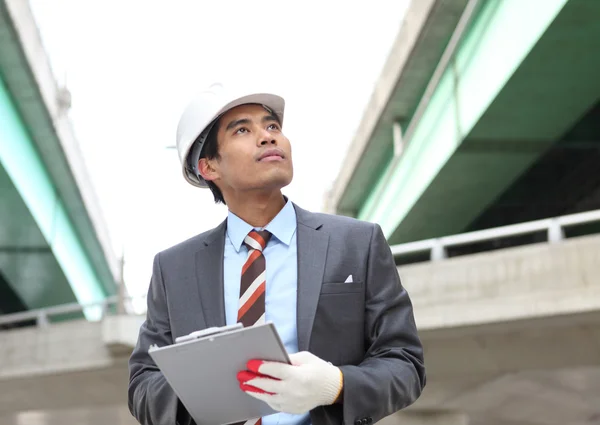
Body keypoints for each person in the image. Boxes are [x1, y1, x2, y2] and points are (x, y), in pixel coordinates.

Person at [128, 82, 426, 425]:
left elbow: (405, 364)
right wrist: (203, 394)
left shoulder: (357, 244)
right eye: (242, 129)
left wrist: (336, 386)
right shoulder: (173, 269)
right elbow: (142, 384)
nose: (268, 137)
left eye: (272, 126)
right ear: (209, 167)